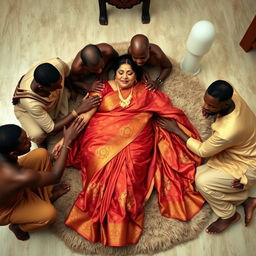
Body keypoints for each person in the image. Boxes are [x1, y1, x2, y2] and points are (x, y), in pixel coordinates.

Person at [52, 54, 205, 246]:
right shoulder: (102, 88)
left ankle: (122, 221)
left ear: (136, 75)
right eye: (121, 72)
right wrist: (64, 139)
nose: (124, 77)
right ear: (114, 73)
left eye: (130, 73)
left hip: (137, 139)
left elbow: (167, 109)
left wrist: (177, 129)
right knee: (95, 163)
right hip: (101, 136)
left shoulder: (146, 91)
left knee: (130, 176)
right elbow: (85, 116)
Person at [157, 80, 256, 234]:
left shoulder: (228, 131)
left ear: (225, 104)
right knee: (196, 174)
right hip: (241, 149)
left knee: (203, 183)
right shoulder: (232, 94)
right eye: (206, 102)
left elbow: (203, 151)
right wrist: (214, 111)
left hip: (247, 164)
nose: (205, 107)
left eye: (211, 106)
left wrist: (176, 130)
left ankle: (229, 215)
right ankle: (247, 200)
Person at [0, 118, 85, 241]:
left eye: (27, 137)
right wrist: (67, 141)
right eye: (25, 142)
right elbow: (56, 176)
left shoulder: (4, 153)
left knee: (41, 154)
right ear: (12, 154)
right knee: (49, 215)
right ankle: (19, 227)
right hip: (7, 208)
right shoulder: (15, 175)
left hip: (11, 187)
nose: (30, 141)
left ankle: (47, 194)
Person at [12, 57, 101, 145]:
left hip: (50, 103)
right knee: (38, 134)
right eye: (55, 86)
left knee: (67, 94)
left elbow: (68, 76)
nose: (60, 86)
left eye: (60, 82)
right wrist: (78, 110)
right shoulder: (30, 103)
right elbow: (52, 129)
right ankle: (42, 145)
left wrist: (77, 88)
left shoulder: (58, 64)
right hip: (27, 111)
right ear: (41, 87)